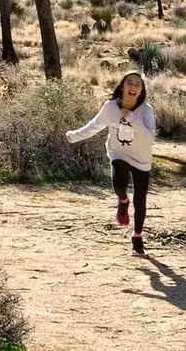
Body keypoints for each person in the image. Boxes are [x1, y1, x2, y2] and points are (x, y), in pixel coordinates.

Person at [67, 71, 158, 255]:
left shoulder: (146, 110)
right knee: (118, 182)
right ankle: (122, 200)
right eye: (129, 83)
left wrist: (133, 119)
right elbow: (94, 126)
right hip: (118, 152)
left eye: (138, 85)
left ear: (141, 92)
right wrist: (75, 136)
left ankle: (137, 237)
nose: (133, 87)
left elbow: (150, 139)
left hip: (141, 157)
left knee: (140, 200)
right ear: (122, 86)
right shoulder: (110, 108)